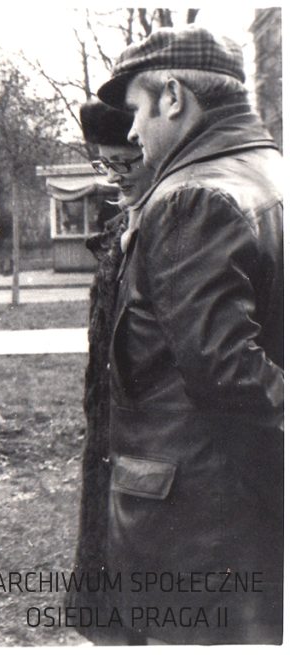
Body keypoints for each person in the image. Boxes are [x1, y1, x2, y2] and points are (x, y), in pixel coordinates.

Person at [95, 25, 283, 644]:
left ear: (172, 96)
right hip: (250, 514)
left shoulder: (190, 197)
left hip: (197, 525)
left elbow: (228, 372)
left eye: (136, 111)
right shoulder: (270, 172)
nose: (129, 133)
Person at [67, 99, 156, 646]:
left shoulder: (172, 221)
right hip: (109, 436)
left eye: (126, 163)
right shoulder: (121, 228)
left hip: (151, 442)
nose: (115, 177)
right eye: (106, 165)